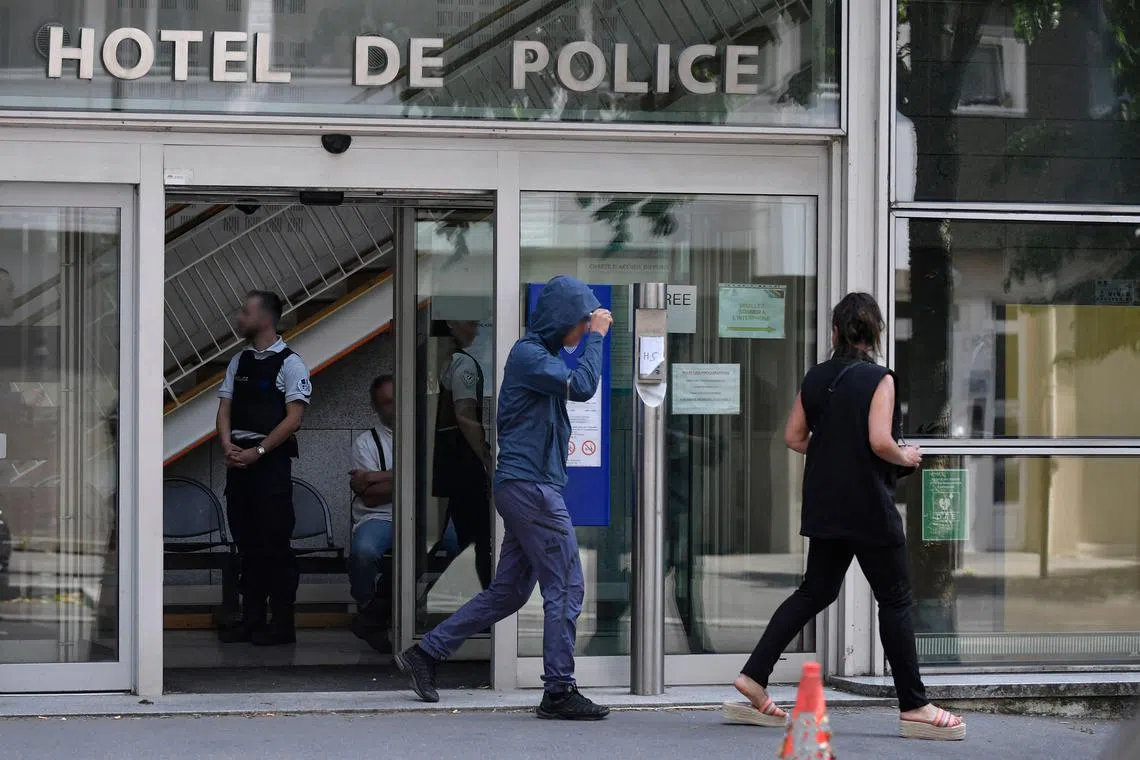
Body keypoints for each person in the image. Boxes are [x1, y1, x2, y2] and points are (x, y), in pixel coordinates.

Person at [724, 292, 966, 742]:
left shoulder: (816, 377)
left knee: (814, 591)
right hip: (869, 507)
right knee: (895, 601)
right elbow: (879, 441)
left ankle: (754, 676)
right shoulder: (880, 378)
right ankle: (915, 705)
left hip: (826, 504)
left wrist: (833, 448)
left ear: (835, 332)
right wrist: (907, 455)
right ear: (876, 334)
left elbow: (794, 437)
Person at [396, 275, 613, 721]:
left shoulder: (543, 356)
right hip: (530, 487)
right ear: (562, 320)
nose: (583, 328)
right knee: (567, 585)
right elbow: (584, 386)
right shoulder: (530, 355)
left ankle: (426, 654)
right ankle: (558, 690)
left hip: (527, 486)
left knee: (509, 592)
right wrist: (597, 338)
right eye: (580, 321)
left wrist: (586, 335)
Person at [216, 291, 311, 646]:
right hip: (238, 464)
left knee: (274, 544)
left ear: (266, 319)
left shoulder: (290, 363)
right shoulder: (238, 361)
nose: (239, 318)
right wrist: (228, 445)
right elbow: (224, 408)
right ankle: (252, 618)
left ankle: (282, 622)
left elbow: (294, 419)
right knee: (247, 544)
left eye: (245, 311)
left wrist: (258, 450)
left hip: (269, 465)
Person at [347, 374, 461, 651]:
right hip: (380, 517)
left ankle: (422, 605)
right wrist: (415, 477)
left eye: (397, 401)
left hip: (426, 513)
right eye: (386, 403)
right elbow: (371, 498)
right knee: (363, 552)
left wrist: (378, 476)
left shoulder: (427, 435)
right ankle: (367, 607)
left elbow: (437, 483)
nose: (393, 408)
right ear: (375, 407)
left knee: (467, 543)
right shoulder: (366, 442)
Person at [430, 320, 494, 591]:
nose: (477, 331)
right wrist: (486, 457)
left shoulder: (438, 362)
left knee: (436, 535)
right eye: (471, 325)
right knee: (479, 537)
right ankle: (484, 605)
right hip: (464, 463)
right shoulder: (463, 364)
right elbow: (465, 415)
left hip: (443, 461)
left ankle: (381, 604)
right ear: (453, 326)